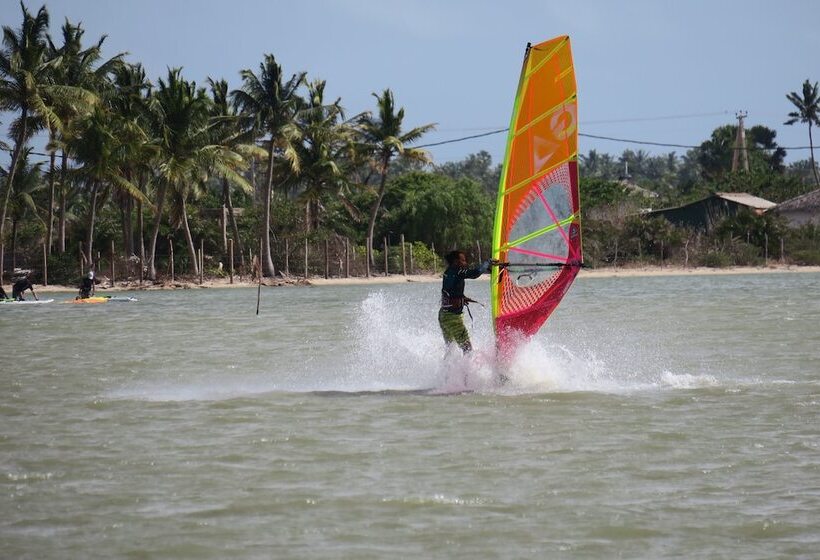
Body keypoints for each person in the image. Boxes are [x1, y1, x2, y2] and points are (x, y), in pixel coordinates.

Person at [439, 250, 498, 353]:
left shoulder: (448, 272)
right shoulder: (457, 271)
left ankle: (447, 364)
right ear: (456, 262)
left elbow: (449, 292)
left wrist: (462, 298)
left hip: (444, 316)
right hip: (452, 318)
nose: (465, 263)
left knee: (450, 350)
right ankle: (467, 365)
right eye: (463, 260)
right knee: (468, 350)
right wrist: (488, 262)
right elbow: (475, 273)